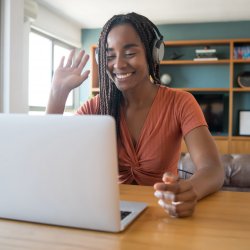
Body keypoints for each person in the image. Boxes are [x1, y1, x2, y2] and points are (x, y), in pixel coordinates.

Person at [46, 12, 224, 218]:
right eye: (110, 55)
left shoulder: (180, 102)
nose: (118, 64)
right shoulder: (96, 107)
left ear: (153, 54)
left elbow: (213, 169)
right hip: (110, 213)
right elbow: (49, 156)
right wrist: (57, 93)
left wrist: (191, 190)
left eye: (130, 53)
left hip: (162, 213)